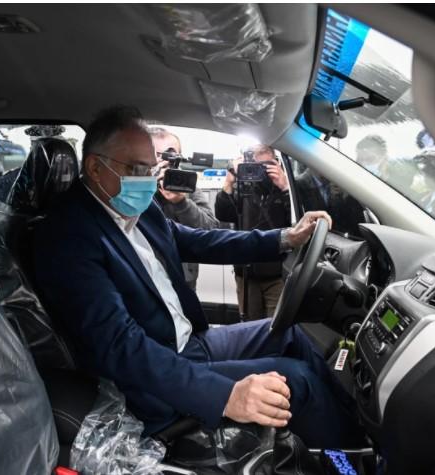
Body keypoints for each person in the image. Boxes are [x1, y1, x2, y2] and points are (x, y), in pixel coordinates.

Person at [33, 106, 364, 448]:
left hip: (190, 343)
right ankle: (353, 457)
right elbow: (119, 344)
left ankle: (356, 426)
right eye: (136, 169)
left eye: (151, 169)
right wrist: (226, 395)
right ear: (94, 167)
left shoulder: (134, 207)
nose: (147, 180)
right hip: (153, 378)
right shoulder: (67, 236)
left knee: (291, 334)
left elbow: (201, 241)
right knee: (295, 381)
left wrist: (284, 238)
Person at [214, 144, 292, 320]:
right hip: (247, 273)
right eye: (256, 167)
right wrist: (229, 181)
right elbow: (223, 214)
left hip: (277, 272)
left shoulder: (283, 190)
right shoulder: (243, 190)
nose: (261, 172)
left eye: (266, 166)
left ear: (277, 163)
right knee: (251, 325)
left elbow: (295, 221)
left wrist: (285, 187)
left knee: (276, 324)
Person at [148, 126, 219, 291]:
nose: (166, 162)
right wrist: (147, 184)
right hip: (145, 275)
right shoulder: (135, 184)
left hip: (183, 277)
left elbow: (210, 229)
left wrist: (181, 202)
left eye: (173, 156)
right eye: (159, 155)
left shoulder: (186, 184)